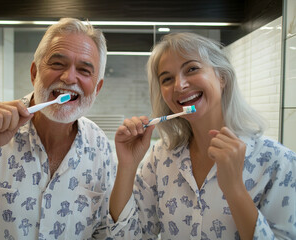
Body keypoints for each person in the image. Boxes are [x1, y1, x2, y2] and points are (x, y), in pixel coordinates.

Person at [0, 18, 116, 239]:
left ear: (97, 88)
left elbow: (103, 231)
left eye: (84, 70)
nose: (70, 77)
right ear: (34, 73)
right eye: (57, 64)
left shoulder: (100, 146)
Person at [108, 32, 296, 239]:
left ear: (222, 77)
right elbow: (127, 235)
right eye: (167, 79)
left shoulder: (279, 162)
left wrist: (234, 189)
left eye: (192, 69)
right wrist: (127, 166)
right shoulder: (160, 157)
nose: (179, 85)